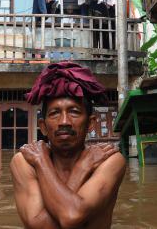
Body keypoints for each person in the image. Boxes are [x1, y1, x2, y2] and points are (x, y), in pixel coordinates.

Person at [10, 62, 126, 229]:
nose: (64, 122)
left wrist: (43, 162)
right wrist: (81, 167)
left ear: (91, 123)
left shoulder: (110, 161)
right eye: (55, 113)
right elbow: (41, 225)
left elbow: (72, 216)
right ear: (43, 126)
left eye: (74, 112)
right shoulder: (25, 162)